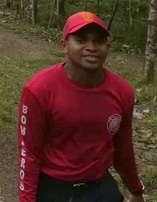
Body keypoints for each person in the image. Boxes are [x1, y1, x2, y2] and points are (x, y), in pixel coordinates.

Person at [18, 12, 145, 202]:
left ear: (107, 47)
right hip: (54, 189)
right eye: (81, 40)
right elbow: (29, 154)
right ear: (64, 46)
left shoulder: (122, 91)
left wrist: (136, 189)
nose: (91, 48)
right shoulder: (38, 89)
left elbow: (123, 147)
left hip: (99, 188)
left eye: (99, 41)